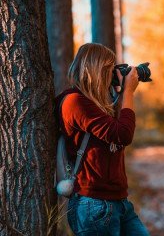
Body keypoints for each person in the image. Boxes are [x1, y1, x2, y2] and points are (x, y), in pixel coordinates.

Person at [55, 43, 149, 235]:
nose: (112, 73)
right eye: (109, 68)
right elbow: (122, 135)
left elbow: (112, 133)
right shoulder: (75, 102)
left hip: (118, 202)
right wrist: (129, 92)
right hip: (94, 204)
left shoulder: (96, 103)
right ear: (97, 69)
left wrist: (119, 94)